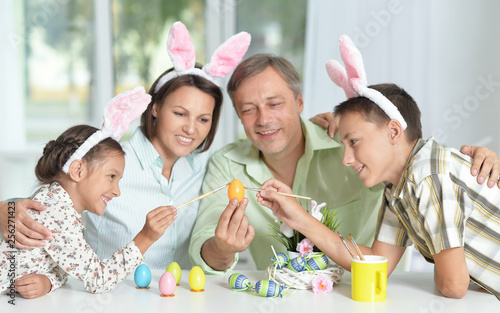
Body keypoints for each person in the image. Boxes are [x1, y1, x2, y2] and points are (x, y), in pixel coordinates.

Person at [188, 53, 500, 273]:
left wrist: (471, 166)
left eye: (275, 103)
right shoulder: (226, 165)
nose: (264, 119)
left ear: (299, 102)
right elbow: (206, 243)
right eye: (248, 109)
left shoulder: (348, 142)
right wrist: (222, 247)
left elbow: (407, 154)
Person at [256, 35, 500, 299]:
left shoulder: (428, 175)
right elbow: (375, 263)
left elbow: (453, 286)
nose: (346, 158)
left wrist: (445, 270)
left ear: (394, 131)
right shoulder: (398, 189)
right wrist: (298, 217)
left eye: (354, 141)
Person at [0, 20, 251, 274]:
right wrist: (3, 212)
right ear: (155, 108)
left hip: (182, 299)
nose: (190, 129)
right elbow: (45, 203)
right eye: (179, 113)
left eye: (203, 119)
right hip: (109, 299)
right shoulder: (108, 163)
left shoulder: (207, 167)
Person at [0, 87, 177, 298]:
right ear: (77, 171)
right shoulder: (58, 214)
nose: (117, 191)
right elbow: (97, 279)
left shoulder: (56, 202)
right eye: (111, 176)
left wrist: (48, 281)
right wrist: (146, 237)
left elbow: (64, 266)